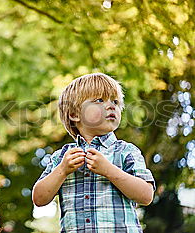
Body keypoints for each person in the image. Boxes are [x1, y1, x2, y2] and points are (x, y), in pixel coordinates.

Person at [32, 73, 155, 233]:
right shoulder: (62, 158)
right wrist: (62, 170)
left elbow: (146, 195)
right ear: (74, 114)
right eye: (99, 100)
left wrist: (109, 170)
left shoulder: (126, 151)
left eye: (115, 102)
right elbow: (39, 199)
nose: (111, 106)